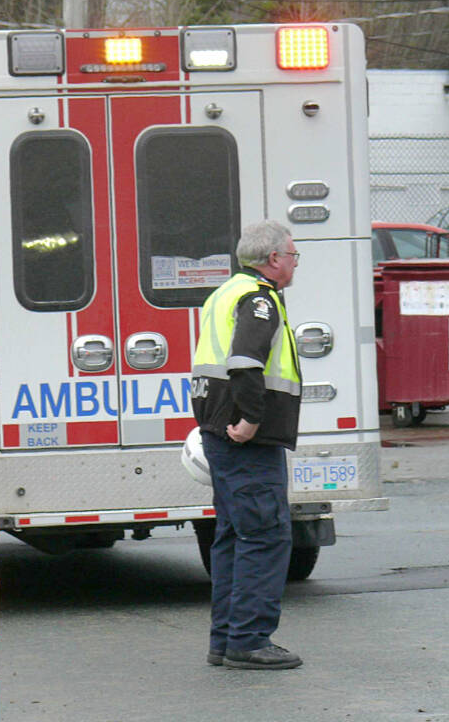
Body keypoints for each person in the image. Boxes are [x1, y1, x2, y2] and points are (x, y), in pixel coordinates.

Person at [190, 220, 304, 670]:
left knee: (234, 537)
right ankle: (250, 640)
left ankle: (226, 639)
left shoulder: (226, 292)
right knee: (265, 534)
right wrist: (252, 418)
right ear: (273, 259)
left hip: (219, 433)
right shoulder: (258, 299)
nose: (295, 264)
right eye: (293, 255)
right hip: (246, 439)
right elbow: (245, 361)